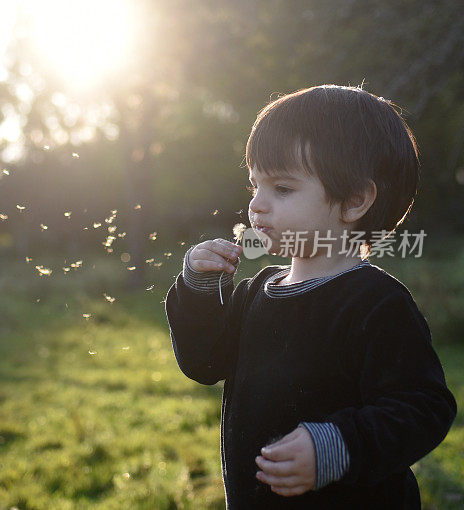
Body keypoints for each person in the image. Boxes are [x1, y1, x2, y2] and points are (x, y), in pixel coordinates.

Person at [165, 85, 456, 508]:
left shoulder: (376, 303)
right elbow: (204, 363)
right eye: (255, 186)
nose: (257, 207)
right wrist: (199, 287)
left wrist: (335, 446)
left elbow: (423, 407)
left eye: (282, 189)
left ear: (354, 200)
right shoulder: (256, 293)